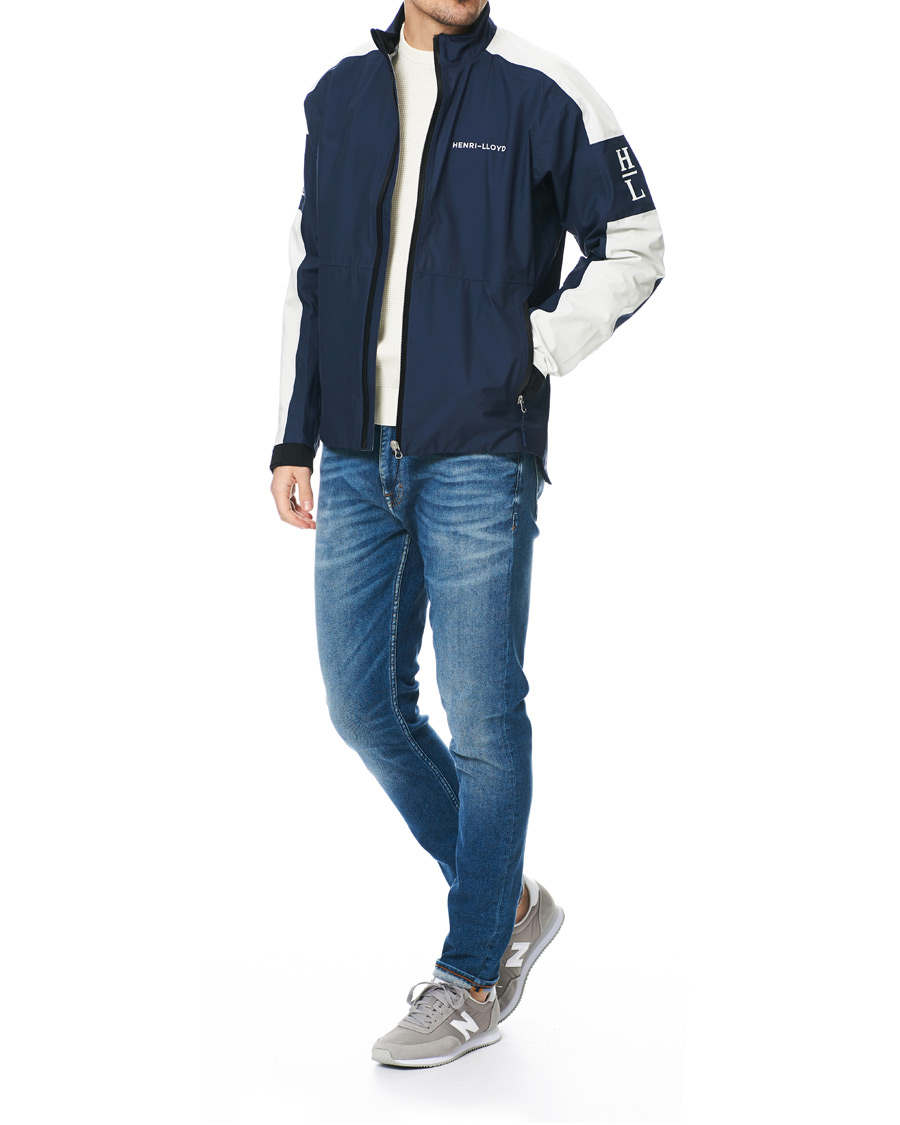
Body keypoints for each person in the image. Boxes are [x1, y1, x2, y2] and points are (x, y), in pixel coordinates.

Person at [269, 0, 664, 1068]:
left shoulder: (542, 88)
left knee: (484, 714)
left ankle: (475, 970)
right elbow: (315, 278)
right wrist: (294, 436)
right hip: (355, 454)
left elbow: (636, 245)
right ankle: (511, 903)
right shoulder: (338, 98)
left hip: (479, 450)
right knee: (363, 706)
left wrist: (532, 350)